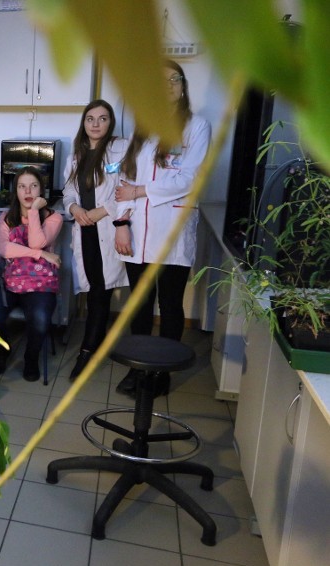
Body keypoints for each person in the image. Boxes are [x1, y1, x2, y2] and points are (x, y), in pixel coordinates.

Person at [113, 59, 211, 397]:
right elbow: (123, 179)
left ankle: (162, 374)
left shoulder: (196, 128)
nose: (167, 86)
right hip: (137, 231)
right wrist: (121, 223)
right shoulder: (141, 129)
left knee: (169, 305)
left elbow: (190, 177)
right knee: (139, 304)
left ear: (183, 86)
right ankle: (139, 370)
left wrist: (140, 192)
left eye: (174, 79)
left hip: (173, 229)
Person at [63, 100, 129, 380]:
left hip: (106, 226)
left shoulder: (120, 149)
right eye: (90, 119)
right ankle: (94, 343)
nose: (96, 124)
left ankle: (87, 352)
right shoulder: (76, 154)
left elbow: (125, 188)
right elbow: (68, 191)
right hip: (85, 229)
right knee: (94, 290)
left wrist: (99, 212)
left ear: (110, 122)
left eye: (102, 119)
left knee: (101, 290)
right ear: (84, 123)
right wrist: (75, 209)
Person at [0, 166, 63, 382]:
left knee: (40, 319)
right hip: (6, 279)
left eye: (33, 186)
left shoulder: (53, 218)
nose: (28, 192)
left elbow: (37, 240)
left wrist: (34, 212)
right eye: (22, 186)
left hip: (39, 282)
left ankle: (31, 357)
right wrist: (42, 255)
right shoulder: (6, 216)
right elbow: (4, 249)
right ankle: (1, 351)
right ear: (15, 190)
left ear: (41, 190)